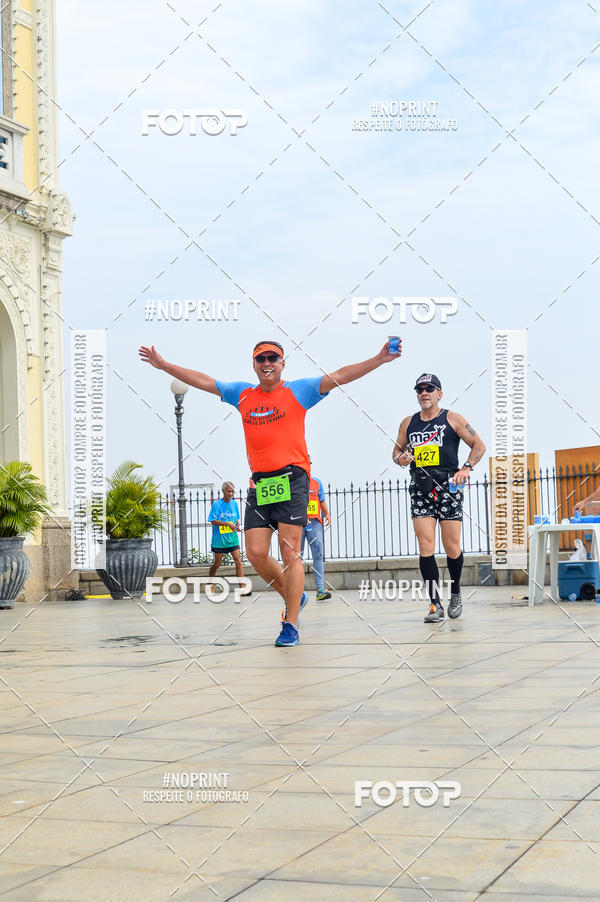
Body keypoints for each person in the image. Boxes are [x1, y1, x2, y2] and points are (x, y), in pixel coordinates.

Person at [140, 338, 402, 646]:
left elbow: (340, 375)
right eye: (261, 358)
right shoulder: (243, 394)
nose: (267, 363)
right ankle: (294, 598)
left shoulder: (298, 390)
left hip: (293, 479)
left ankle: (290, 624)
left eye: (273, 358)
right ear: (254, 364)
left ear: (282, 363)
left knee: (289, 552)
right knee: (256, 553)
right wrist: (164, 365)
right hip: (260, 484)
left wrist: (378, 359)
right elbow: (205, 381)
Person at [392, 373, 486, 623]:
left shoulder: (452, 418)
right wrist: (402, 459)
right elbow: (397, 453)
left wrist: (466, 468)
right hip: (421, 486)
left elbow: (479, 445)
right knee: (425, 546)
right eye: (420, 389)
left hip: (448, 486)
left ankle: (455, 592)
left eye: (429, 389)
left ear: (439, 393)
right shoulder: (408, 423)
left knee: (451, 545)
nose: (424, 393)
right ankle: (435, 604)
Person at [207, 481, 250, 595]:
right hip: (219, 539)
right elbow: (213, 520)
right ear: (223, 491)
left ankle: (242, 588)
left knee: (238, 561)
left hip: (232, 538)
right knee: (217, 564)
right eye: (229, 491)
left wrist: (237, 525)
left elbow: (236, 518)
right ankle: (209, 584)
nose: (231, 494)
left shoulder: (234, 504)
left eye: (232, 491)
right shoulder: (216, 504)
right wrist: (228, 524)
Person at [302, 465, 331, 601]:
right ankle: (296, 590)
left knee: (318, 552)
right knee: (296, 556)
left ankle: (320, 589)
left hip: (314, 522)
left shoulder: (316, 482)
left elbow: (322, 500)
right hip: (298, 523)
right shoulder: (292, 482)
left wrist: (327, 514)